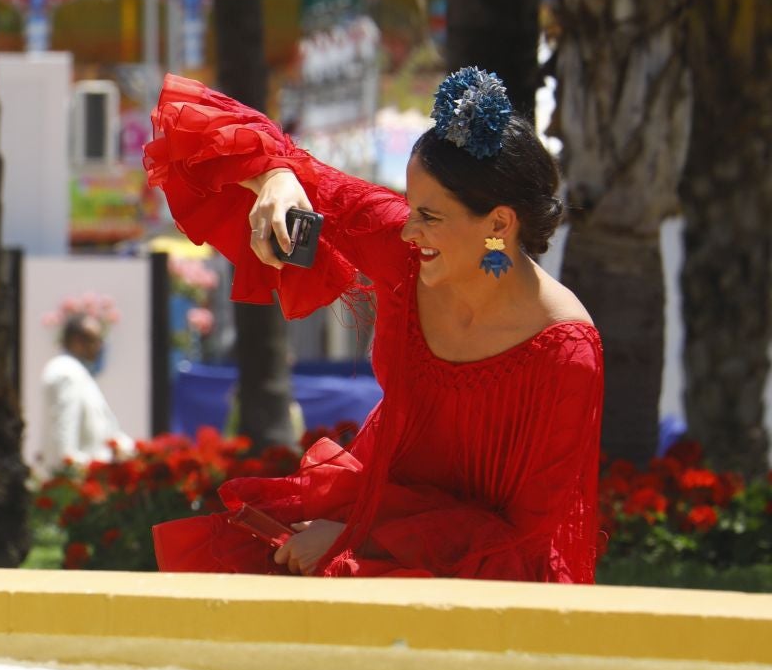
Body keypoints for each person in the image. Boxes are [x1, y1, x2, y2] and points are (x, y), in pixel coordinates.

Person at [142, 67, 602, 581]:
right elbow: (202, 128)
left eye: (429, 216)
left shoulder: (566, 352)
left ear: (498, 224)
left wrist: (355, 538)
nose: (408, 228)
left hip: (485, 583)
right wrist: (276, 177)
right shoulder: (406, 253)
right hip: (364, 524)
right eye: (410, 208)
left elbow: (525, 537)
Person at [41, 313, 131, 468]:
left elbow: (105, 429)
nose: (99, 346)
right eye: (94, 340)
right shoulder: (66, 372)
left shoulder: (76, 372)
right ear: (77, 341)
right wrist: (71, 465)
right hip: (76, 479)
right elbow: (64, 434)